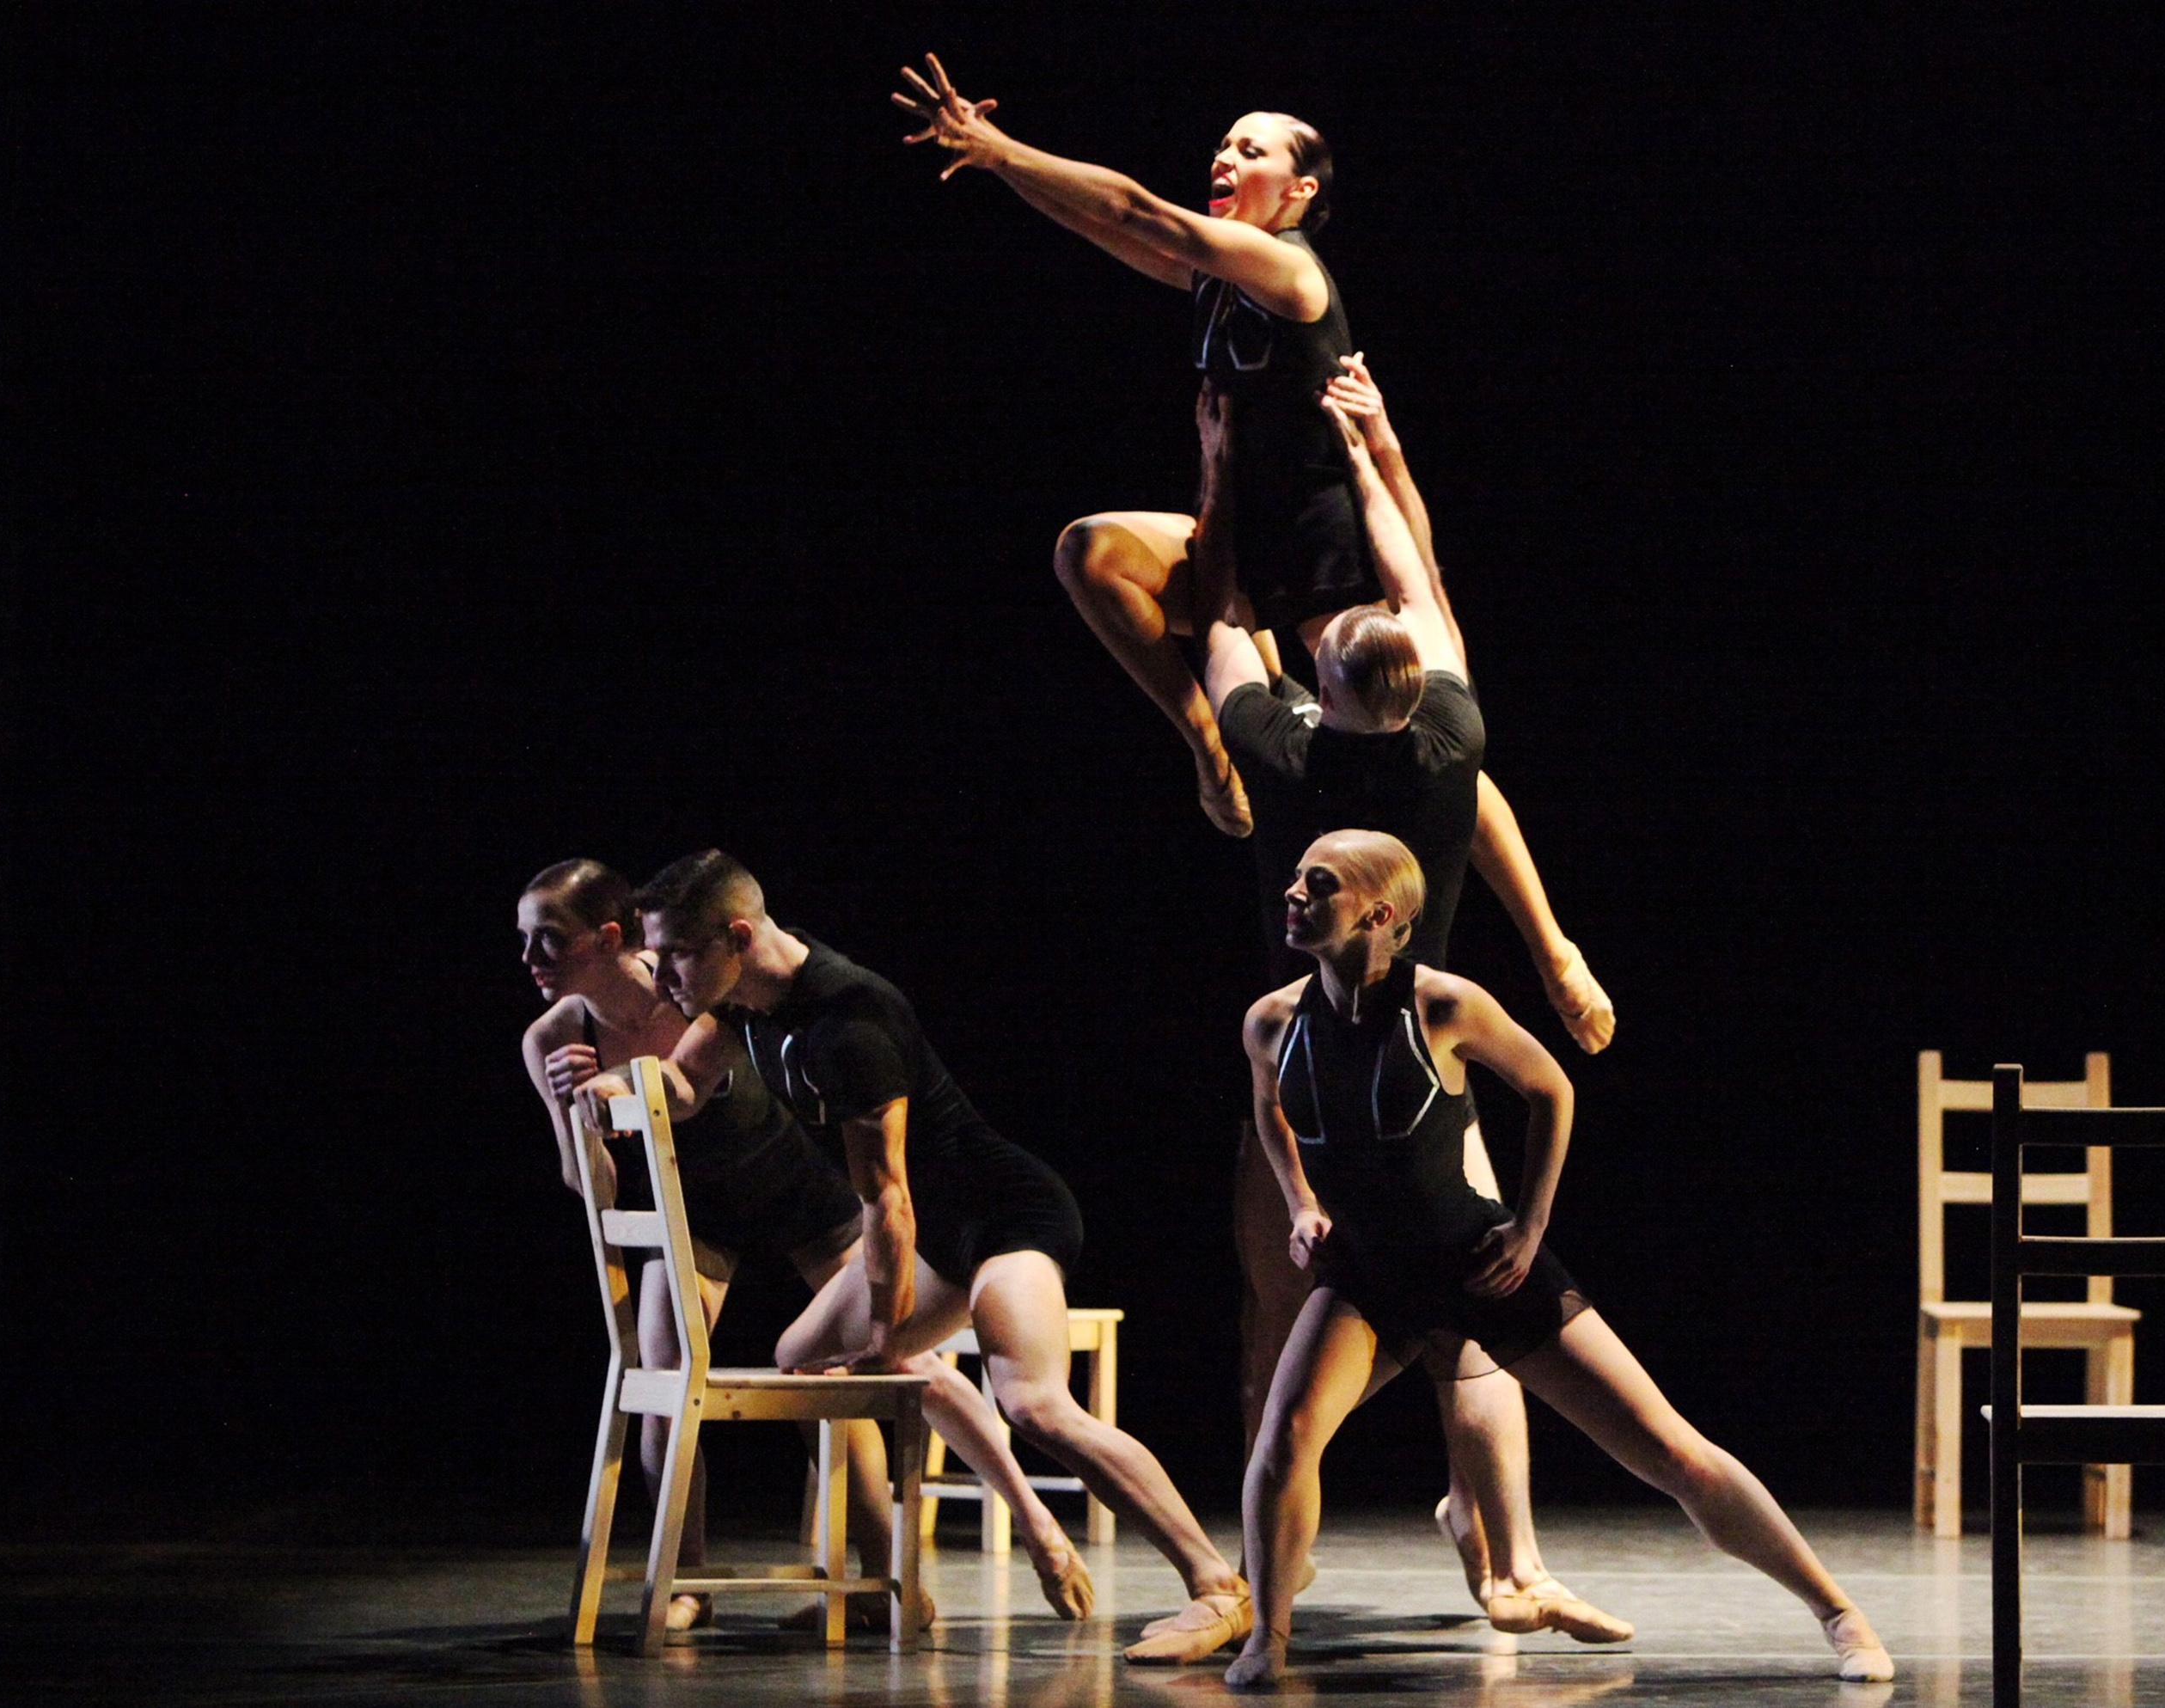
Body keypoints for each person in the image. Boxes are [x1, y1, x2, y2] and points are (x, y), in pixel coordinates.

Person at [1224, 831, 1896, 1687]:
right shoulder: (1272, 1021)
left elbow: (1552, 1088)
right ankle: (1267, 1639)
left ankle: (1838, 1611)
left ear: (1380, 913)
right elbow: (1273, 1115)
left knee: (1668, 1449)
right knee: (1284, 1441)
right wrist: (1302, 1204)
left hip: (1478, 1264)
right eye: (1296, 878)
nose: (1292, 893)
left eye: (1316, 885)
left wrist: (1529, 1228)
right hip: (1369, 1277)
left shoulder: (1442, 1005)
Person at [1202, 370, 1623, 1631]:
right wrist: (1378, 447)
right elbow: (1418, 587)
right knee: (1480, 1314)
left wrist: (1218, 461)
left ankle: (1283, 1568)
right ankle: (1505, 1552)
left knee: (1280, 1330)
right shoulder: (1449, 743)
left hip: (1321, 1065)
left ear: (1322, 690)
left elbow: (1220, 611)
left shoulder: (1286, 756)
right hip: (1431, 1052)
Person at [603, 852, 1252, 1664]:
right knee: (802, 1362)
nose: (659, 974)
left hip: (1005, 1216)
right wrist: (618, 1088)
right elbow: (685, 1084)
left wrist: (885, 1336)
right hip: (942, 1229)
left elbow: (887, 1201)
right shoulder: (742, 1002)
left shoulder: (853, 1021)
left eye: (677, 954)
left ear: (738, 935)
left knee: (1035, 1403)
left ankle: (1216, 1585)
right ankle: (879, 1593)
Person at [517, 860, 1094, 1630]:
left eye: (548, 940)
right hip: (698, 1214)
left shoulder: (693, 972)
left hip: (798, 1184)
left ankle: (951, 1554)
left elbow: (760, 1030)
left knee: (890, 1365)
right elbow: (588, 1184)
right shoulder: (555, 1036)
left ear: (611, 937)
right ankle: (687, 1580)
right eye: (525, 941)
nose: (530, 960)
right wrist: (575, 1108)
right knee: (662, 1376)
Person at [893, 52, 1378, 838]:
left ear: (1299, 192)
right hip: (1238, 542)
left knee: (1409, 751)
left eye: (1251, 152)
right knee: (1089, 554)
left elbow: (1132, 208)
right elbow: (1098, 222)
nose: (1224, 157)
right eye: (1224, 144)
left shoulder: (1287, 269)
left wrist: (1002, 145)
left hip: (1319, 554)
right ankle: (1208, 747)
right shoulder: (1218, 278)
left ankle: (1553, 949)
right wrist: (996, 164)